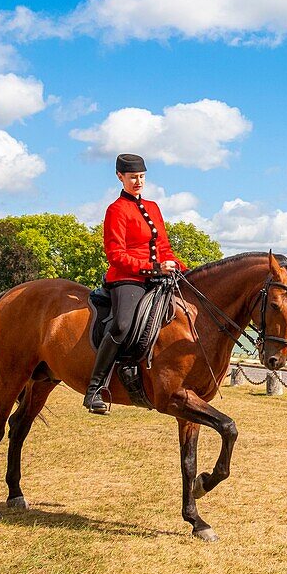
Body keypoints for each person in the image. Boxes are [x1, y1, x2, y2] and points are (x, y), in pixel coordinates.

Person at [83, 154, 187, 414]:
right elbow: (115, 255)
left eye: (141, 177)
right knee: (121, 325)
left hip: (158, 276)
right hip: (126, 277)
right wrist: (152, 268)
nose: (138, 182)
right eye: (133, 178)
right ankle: (94, 388)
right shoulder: (116, 210)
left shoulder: (152, 207)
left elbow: (163, 246)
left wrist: (179, 267)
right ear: (120, 177)